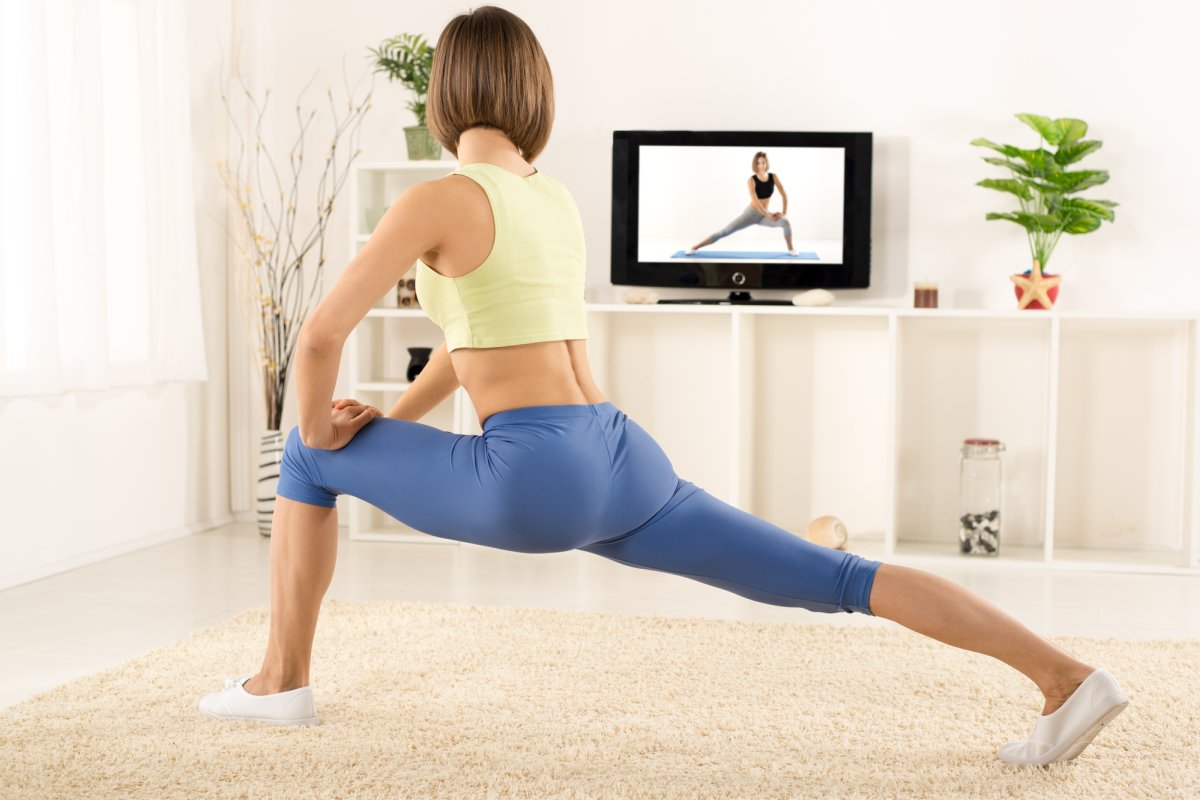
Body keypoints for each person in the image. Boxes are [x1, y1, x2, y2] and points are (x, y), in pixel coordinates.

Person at [198, 5, 1128, 766]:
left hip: (535, 477)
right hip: (621, 457)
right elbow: (466, 343)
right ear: (533, 95)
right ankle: (1064, 677)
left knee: (309, 464)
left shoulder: (437, 197)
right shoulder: (549, 197)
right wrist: (389, 430)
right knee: (834, 578)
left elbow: (320, 333)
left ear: (442, 95)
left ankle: (279, 686)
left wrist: (325, 438)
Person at [686, 152, 800, 256]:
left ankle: (791, 249)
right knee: (725, 232)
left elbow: (784, 194)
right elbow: (755, 200)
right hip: (751, 214)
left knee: (785, 222)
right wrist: (768, 215)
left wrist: (784, 212)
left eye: (763, 162)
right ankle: (695, 247)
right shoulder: (751, 180)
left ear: (767, 163)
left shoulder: (773, 177)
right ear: (755, 164)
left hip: (763, 216)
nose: (761, 165)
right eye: (758, 163)